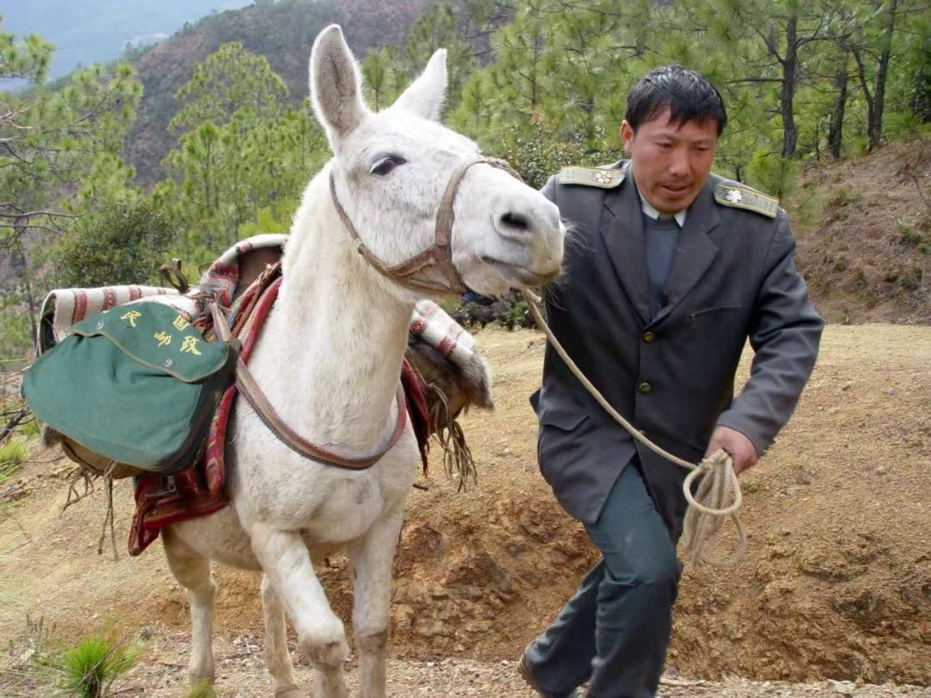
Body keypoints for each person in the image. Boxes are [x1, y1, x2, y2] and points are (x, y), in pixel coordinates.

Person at [518, 65, 824, 698]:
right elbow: (496, 268)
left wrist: (748, 424)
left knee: (639, 564)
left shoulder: (756, 231)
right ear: (628, 137)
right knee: (649, 570)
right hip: (585, 431)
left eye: (700, 149)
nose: (682, 167)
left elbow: (793, 333)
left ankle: (550, 666)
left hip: (683, 448)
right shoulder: (568, 202)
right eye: (665, 145)